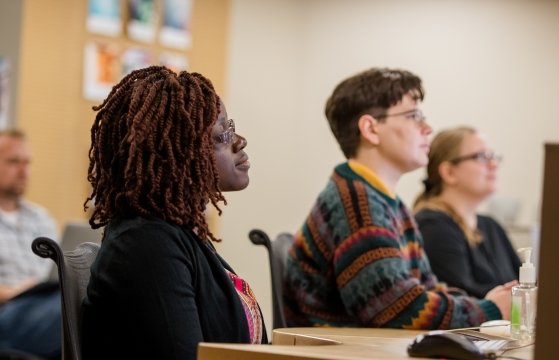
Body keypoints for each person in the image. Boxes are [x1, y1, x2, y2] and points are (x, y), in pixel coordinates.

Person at [283, 68, 513, 329]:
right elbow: (399, 309)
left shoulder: (385, 201)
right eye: (413, 116)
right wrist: (490, 310)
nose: (428, 128)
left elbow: (426, 289)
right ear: (370, 129)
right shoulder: (356, 203)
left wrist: (487, 303)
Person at [81, 66, 266, 360]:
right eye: (222, 135)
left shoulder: (178, 235)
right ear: (177, 153)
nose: (239, 141)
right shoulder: (146, 244)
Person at [413, 127, 521, 298]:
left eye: (493, 157)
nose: (493, 164)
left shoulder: (491, 226)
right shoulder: (433, 227)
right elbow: (462, 302)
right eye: (481, 157)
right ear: (449, 172)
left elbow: (524, 288)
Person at [0, 129, 60, 359]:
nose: (24, 171)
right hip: (8, 311)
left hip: (45, 306)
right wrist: (10, 292)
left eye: (27, 162)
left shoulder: (41, 218)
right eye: (14, 162)